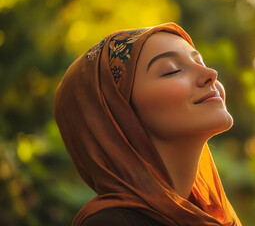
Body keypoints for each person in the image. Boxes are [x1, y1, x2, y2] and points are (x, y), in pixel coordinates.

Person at [54, 22, 242, 226]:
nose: (211, 74)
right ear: (118, 116)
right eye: (172, 70)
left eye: (202, 63)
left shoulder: (206, 216)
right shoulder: (112, 223)